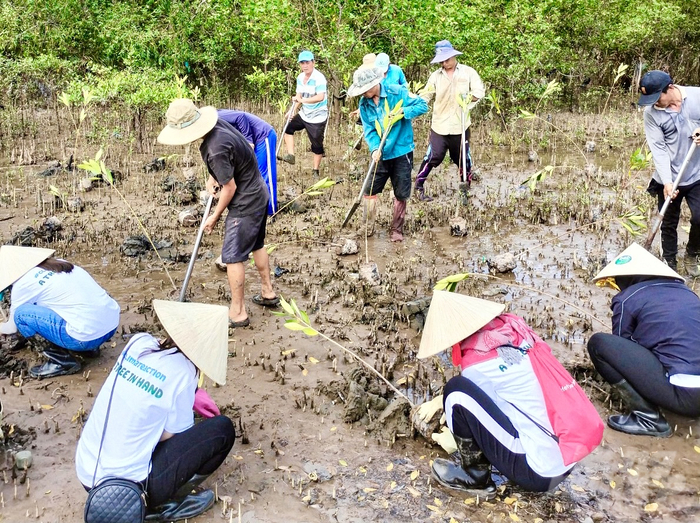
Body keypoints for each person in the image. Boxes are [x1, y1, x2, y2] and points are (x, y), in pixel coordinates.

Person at [415, 291, 602, 496]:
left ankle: (475, 477)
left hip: (538, 473)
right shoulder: (518, 335)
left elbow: (477, 411)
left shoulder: (477, 365)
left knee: (455, 392)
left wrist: (446, 407)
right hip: (567, 457)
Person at [76, 299, 235, 522]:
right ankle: (162, 505)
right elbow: (175, 432)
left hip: (87, 470)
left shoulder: (138, 342)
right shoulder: (185, 370)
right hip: (130, 487)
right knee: (222, 429)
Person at [157, 99, 279, 328]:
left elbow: (230, 187)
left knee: (232, 256)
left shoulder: (214, 148)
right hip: (259, 191)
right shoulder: (219, 126)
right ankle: (268, 292)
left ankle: (238, 312)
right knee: (257, 244)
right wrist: (214, 177)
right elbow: (233, 159)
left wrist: (214, 216)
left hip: (245, 202)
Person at [588, 243, 700, 437]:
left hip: (686, 397)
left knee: (599, 344)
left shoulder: (627, 298)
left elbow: (621, 346)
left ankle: (648, 418)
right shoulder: (688, 294)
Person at [0, 245, 120, 378]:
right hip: (111, 326)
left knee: (21, 315)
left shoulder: (22, 285)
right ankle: (90, 350)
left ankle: (62, 362)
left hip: (85, 338)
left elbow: (12, 328)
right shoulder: (61, 263)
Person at [347, 67, 428, 241]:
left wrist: (403, 112)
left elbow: (422, 105)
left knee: (401, 192)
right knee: (369, 189)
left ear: (375, 83)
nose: (365, 94)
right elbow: (369, 130)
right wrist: (375, 148)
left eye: (366, 90)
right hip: (381, 154)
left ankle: (396, 230)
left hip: (401, 150)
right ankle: (367, 226)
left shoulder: (396, 91)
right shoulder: (364, 103)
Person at [637, 70, 700, 273]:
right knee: (668, 222)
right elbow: (659, 149)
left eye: (657, 97)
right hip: (669, 176)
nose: (653, 103)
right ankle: (669, 264)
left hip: (697, 173)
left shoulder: (696, 96)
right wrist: (667, 181)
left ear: (670, 88)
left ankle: (692, 254)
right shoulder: (651, 114)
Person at [416, 40, 485, 203]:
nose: (444, 63)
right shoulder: (435, 76)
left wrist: (470, 97)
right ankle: (418, 187)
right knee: (434, 156)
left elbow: (479, 91)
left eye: (447, 59)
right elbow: (426, 95)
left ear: (454, 56)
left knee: (463, 160)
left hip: (460, 125)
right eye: (441, 60)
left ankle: (464, 193)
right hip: (439, 125)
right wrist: (414, 102)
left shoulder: (468, 72)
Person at [217, 109, 278, 215]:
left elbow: (240, 116)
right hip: (244, 143)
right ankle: (257, 208)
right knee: (251, 176)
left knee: (265, 174)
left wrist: (248, 140)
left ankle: (270, 211)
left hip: (262, 136)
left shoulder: (217, 116)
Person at [277, 50, 328, 177]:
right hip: (304, 113)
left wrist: (302, 100)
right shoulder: (300, 77)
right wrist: (292, 110)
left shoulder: (319, 78)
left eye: (307, 62)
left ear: (313, 63)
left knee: (316, 145)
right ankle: (291, 155)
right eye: (302, 63)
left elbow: (320, 97)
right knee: (288, 127)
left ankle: (315, 170)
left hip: (317, 116)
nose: (305, 65)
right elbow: (299, 96)